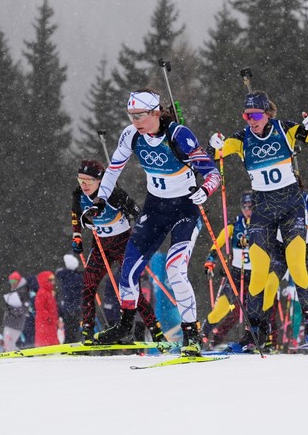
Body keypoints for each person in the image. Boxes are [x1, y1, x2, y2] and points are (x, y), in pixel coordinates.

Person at [86, 90, 221, 354]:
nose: (135, 121)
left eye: (140, 116)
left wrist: (204, 191)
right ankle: (124, 326)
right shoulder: (131, 135)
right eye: (131, 116)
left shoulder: (179, 134)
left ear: (156, 113)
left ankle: (191, 334)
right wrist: (100, 201)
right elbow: (113, 170)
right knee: (129, 269)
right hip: (155, 208)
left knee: (175, 270)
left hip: (185, 209)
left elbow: (212, 173)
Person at [209, 90, 308, 352]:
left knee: (298, 266)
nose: (250, 120)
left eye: (255, 115)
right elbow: (215, 155)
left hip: (291, 208)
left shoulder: (284, 129)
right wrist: (216, 144)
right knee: (257, 272)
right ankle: (255, 332)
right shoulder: (242, 139)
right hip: (263, 211)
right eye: (246, 115)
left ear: (267, 113)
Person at [69, 159, 144, 343]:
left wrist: (139, 231)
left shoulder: (113, 194)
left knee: (130, 287)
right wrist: (77, 236)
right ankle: (87, 331)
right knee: (89, 285)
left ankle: (148, 330)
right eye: (80, 180)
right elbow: (76, 216)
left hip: (123, 244)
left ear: (100, 181)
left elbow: (137, 212)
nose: (84, 185)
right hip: (101, 246)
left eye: (88, 181)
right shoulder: (79, 195)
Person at [203, 192, 254, 346]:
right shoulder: (235, 223)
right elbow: (218, 242)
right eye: (244, 207)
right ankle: (204, 333)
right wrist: (211, 259)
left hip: (255, 273)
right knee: (223, 307)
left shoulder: (262, 223)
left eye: (250, 207)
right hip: (236, 274)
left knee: (253, 308)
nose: (247, 210)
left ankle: (256, 338)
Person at [54, 254, 83, 344]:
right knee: (73, 329)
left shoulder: (65, 275)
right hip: (73, 306)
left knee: (70, 329)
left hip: (69, 305)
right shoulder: (75, 277)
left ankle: (69, 343)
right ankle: (72, 344)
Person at [2, 271, 33, 350]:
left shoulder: (23, 292)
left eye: (14, 281)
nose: (12, 283)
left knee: (10, 345)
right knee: (8, 345)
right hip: (10, 322)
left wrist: (11, 309)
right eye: (11, 281)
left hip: (16, 324)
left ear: (18, 281)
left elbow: (23, 309)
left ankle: (18, 359)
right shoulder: (15, 291)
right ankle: (15, 359)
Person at [34, 270, 59, 347]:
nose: (53, 282)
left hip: (50, 321)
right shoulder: (42, 292)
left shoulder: (49, 292)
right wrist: (48, 317)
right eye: (50, 280)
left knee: (51, 337)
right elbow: (39, 307)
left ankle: (52, 350)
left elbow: (52, 307)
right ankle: (43, 350)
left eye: (53, 280)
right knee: (44, 337)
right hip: (44, 321)